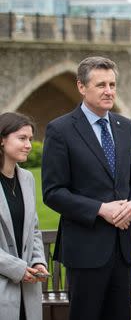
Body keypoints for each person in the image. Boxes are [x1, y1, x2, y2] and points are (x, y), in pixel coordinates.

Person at [41, 56, 131, 320]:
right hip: (85, 250)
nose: (109, 91)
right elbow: (53, 192)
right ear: (81, 87)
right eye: (101, 85)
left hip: (122, 250)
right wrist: (100, 209)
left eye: (112, 84)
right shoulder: (60, 130)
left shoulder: (125, 127)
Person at [0, 113, 49, 320]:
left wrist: (38, 261)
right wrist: (17, 268)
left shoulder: (27, 179)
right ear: (2, 140)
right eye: (22, 138)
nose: (29, 144)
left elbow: (34, 228)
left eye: (30, 139)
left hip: (28, 288)